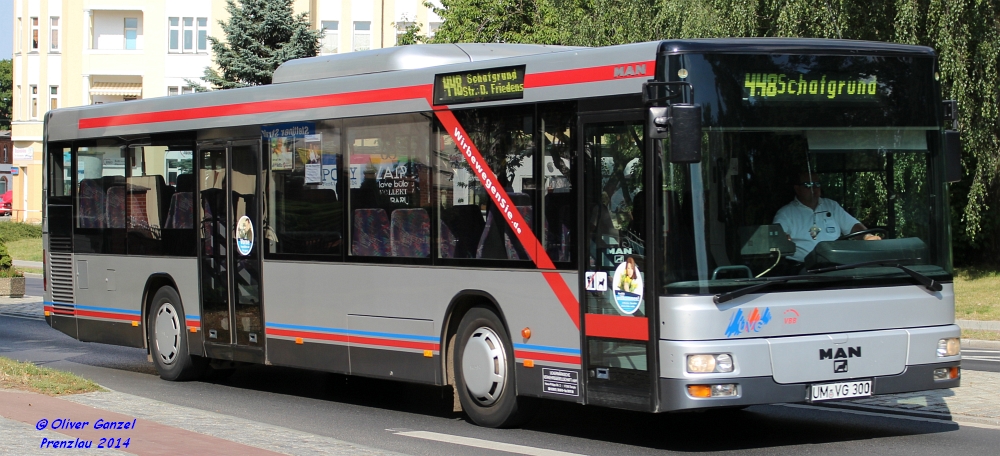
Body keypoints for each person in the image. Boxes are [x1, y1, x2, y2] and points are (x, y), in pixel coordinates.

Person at [773, 170, 880, 262]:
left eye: (817, 184)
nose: (814, 189)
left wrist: (868, 237)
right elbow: (778, 238)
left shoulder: (831, 206)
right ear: (797, 188)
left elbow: (852, 226)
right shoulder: (786, 213)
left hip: (836, 264)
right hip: (802, 268)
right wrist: (783, 239)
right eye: (808, 185)